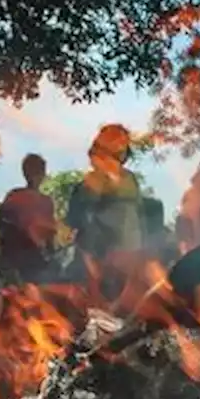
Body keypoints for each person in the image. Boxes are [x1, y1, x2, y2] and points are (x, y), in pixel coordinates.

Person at [66, 124, 144, 299]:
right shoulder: (129, 180)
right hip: (123, 256)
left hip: (105, 260)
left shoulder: (95, 181)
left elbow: (76, 220)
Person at [0, 154, 56, 284]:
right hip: (31, 265)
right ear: (41, 173)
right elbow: (50, 239)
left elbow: (0, 230)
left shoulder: (13, 196)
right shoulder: (45, 202)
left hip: (12, 262)